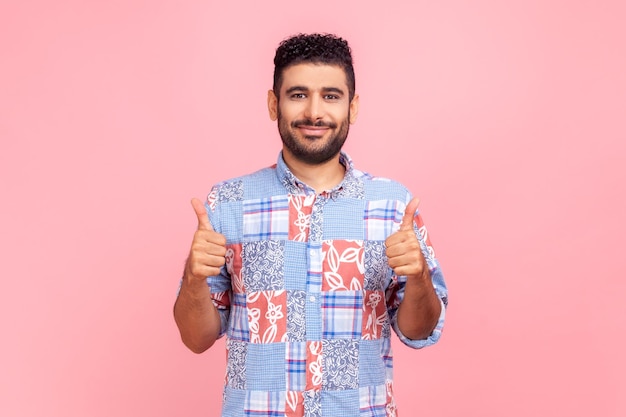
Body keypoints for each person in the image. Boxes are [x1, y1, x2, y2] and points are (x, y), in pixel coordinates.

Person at [174, 33, 448, 417]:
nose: (315, 112)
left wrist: (418, 276)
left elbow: (419, 331)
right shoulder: (228, 203)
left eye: (331, 96)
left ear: (352, 107)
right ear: (274, 104)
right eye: (298, 94)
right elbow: (195, 338)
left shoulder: (393, 205)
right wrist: (192, 277)